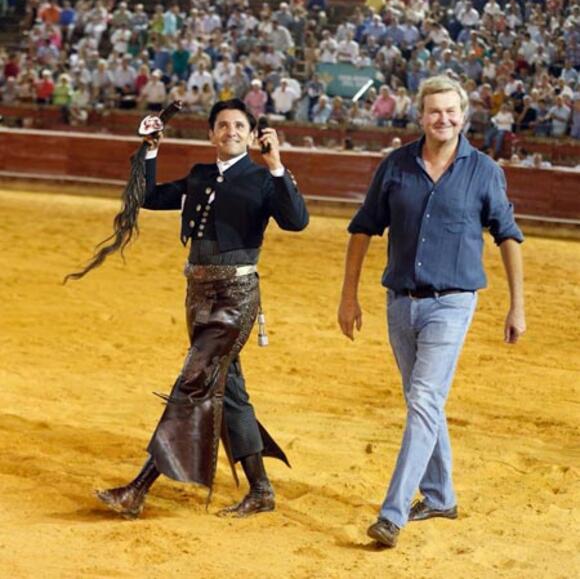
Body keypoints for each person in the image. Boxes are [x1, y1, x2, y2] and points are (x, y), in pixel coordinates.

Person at [96, 99, 309, 519]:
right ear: (211, 134)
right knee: (227, 391)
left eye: (239, 126)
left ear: (251, 136)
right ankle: (261, 489)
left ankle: (139, 489)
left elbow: (296, 221)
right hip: (197, 295)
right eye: (223, 125)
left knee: (192, 384)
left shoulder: (265, 179)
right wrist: (149, 149)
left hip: (235, 298)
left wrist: (278, 166)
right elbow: (149, 197)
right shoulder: (199, 175)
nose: (231, 130)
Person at [337, 76, 525, 549]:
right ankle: (440, 495)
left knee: (423, 399)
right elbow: (363, 228)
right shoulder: (395, 166)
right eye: (434, 111)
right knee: (424, 401)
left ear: (464, 115)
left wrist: (516, 305)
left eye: (451, 110)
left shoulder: (483, 171)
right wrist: (349, 295)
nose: (443, 118)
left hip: (453, 302)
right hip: (400, 302)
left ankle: (392, 513)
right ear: (420, 116)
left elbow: (507, 236)